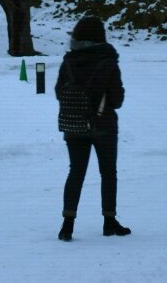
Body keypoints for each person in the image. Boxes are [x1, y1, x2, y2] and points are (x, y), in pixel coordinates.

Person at [54, 15, 128, 240]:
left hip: (74, 124)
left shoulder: (69, 61)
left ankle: (67, 225)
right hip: (103, 124)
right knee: (108, 173)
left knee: (76, 172)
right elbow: (117, 100)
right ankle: (109, 221)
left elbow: (59, 92)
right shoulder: (107, 60)